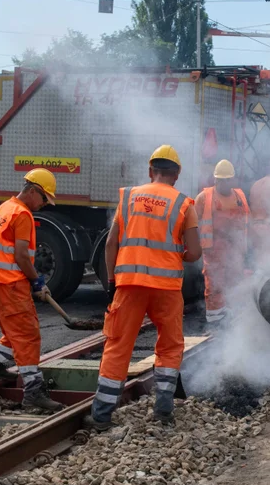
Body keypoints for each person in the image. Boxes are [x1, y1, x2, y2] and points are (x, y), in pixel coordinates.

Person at [84, 145, 201, 430]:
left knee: (118, 345)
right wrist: (178, 255)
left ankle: (101, 415)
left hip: (129, 285)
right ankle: (163, 410)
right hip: (167, 288)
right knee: (170, 345)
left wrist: (112, 282)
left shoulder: (129, 198)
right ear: (176, 175)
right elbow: (195, 252)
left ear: (151, 172)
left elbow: (111, 244)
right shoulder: (184, 204)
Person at [0, 168, 63, 413]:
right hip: (12, 282)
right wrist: (37, 281)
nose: (45, 204)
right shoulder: (23, 214)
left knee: (14, 328)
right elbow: (22, 255)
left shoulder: (6, 207)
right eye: (45, 198)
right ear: (34, 191)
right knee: (28, 333)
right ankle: (34, 390)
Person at [194, 159, 249, 323]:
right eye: (221, 180)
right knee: (214, 284)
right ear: (215, 179)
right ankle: (214, 319)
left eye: (228, 179)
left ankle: (232, 317)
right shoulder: (204, 197)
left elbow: (247, 221)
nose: (224, 183)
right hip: (213, 251)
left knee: (235, 282)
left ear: (232, 179)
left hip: (234, 250)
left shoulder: (239, 197)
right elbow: (193, 223)